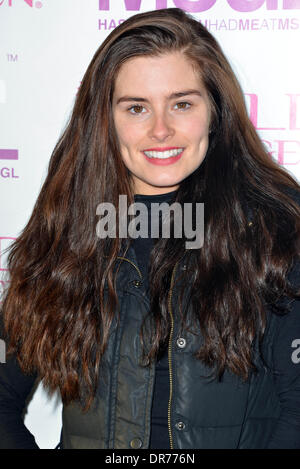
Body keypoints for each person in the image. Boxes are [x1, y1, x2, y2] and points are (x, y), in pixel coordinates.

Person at [1, 7, 300, 450]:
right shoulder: (66, 231)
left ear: (215, 111)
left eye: (182, 103)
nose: (161, 130)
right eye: (137, 108)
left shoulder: (274, 229)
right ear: (105, 119)